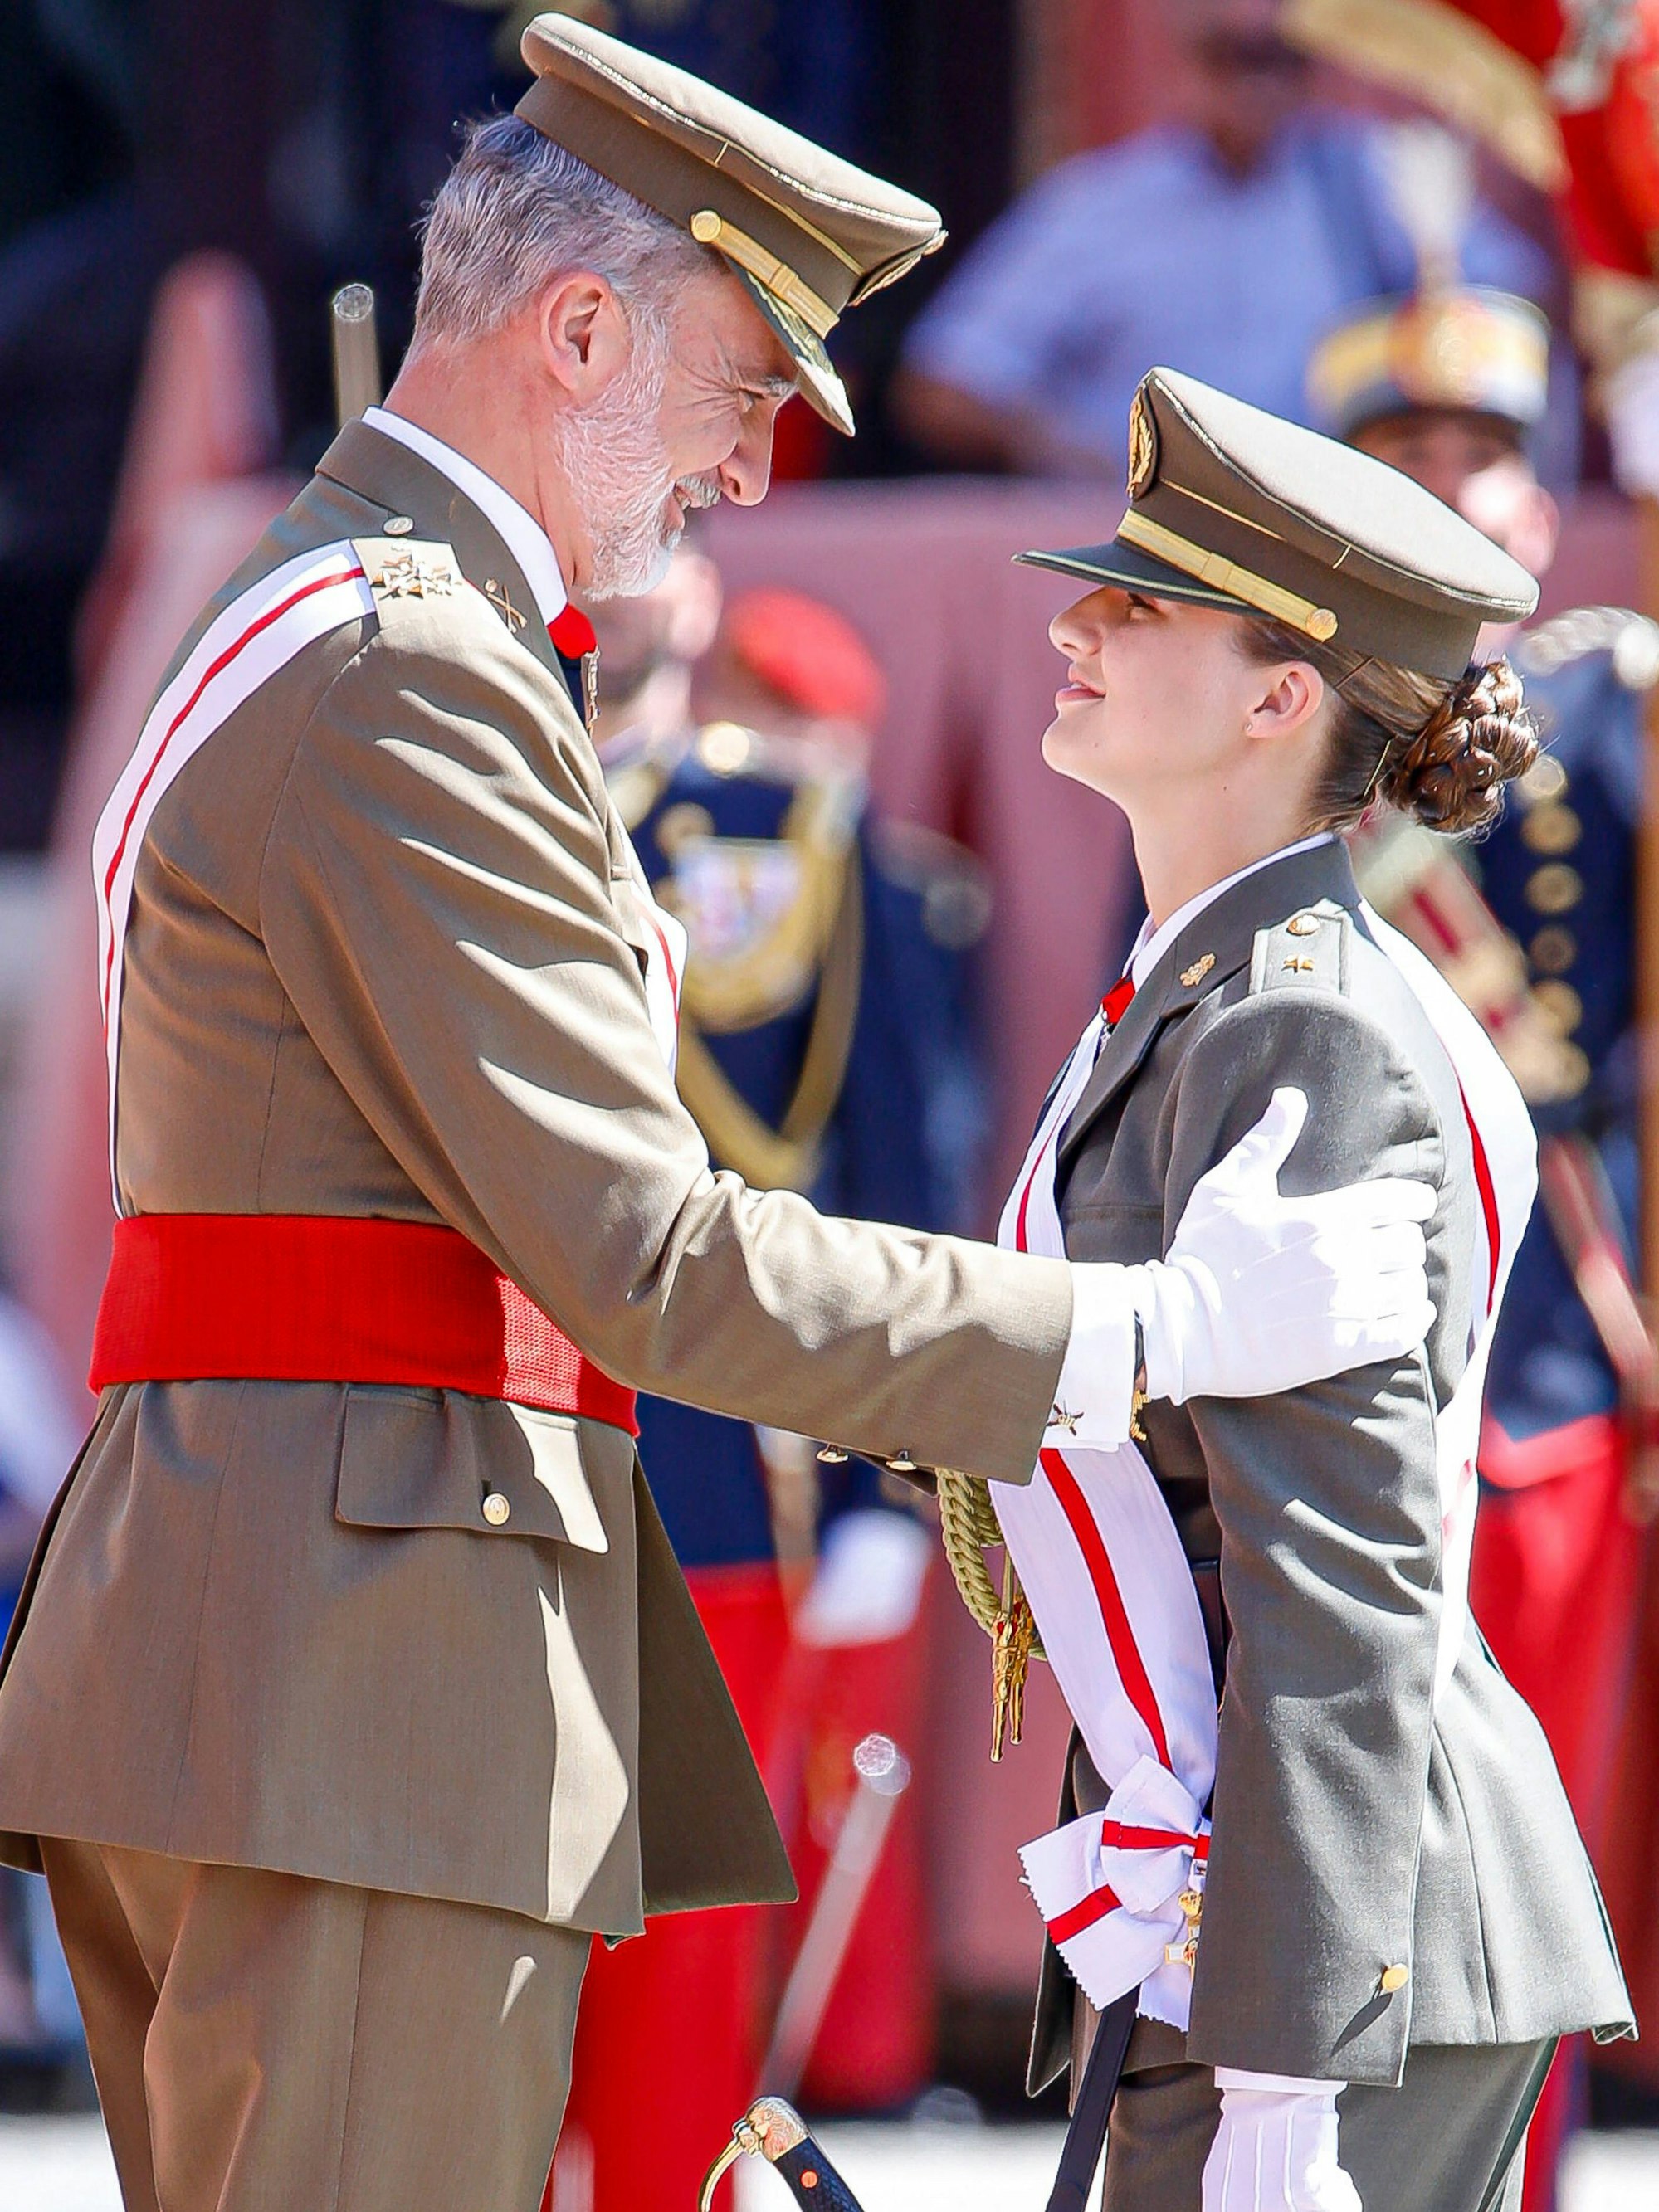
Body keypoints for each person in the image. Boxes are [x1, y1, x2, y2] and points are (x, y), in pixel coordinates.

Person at [0, 21, 1439, 2211]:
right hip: (356, 1684)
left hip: (322, 1648)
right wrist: (1147, 1332)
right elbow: (650, 1257)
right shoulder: (415, 671)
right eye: (739, 391)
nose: (757, 474)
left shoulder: (387, 623)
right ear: (575, 327)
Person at [977, 367, 1632, 2212]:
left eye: (1140, 602)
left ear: (1281, 696)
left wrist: (1281, 2078)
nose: (1072, 619)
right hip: (1277, 1895)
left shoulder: (1297, 1025)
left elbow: (1341, 1570)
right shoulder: (1211, 988)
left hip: (1337, 1933)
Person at [550, 558, 964, 2207]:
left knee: (677, 1957)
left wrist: (886, 1473)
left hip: (709, 1457)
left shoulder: (780, 831)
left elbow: (888, 1155)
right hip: (475, 1449)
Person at [1310, 280, 1657, 2210]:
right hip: (1346, 1279)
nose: (1451, 487)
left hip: (1549, 1311)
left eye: (1484, 456)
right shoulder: (1285, 686)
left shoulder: (1619, 691)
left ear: (1539, 501)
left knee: (1525, 1825)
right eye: (1407, 457)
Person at [891, 0, 1552, 480]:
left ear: (1314, 65)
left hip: (1329, 535)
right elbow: (942, 387)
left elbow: (1515, 311)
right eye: (1231, 58)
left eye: (1277, 60)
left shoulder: (1373, 178)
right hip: (1149, 534)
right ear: (1183, 57)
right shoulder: (1097, 202)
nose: (1255, 85)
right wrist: (1086, 455)